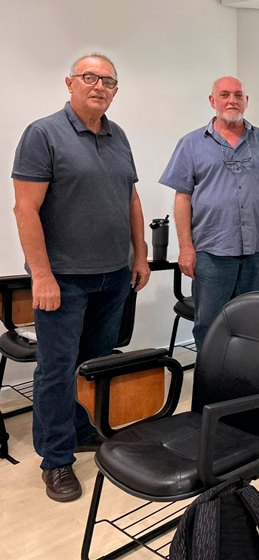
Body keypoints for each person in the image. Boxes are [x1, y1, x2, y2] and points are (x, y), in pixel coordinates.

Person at [12, 53, 150, 502]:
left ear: (115, 91)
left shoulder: (118, 135)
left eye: (108, 81)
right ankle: (55, 459)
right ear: (70, 83)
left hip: (113, 276)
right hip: (63, 281)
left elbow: (130, 198)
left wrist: (140, 254)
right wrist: (41, 275)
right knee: (56, 369)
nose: (99, 86)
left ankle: (79, 427)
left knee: (92, 363)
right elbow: (25, 209)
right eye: (90, 77)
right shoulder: (43, 134)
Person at [160, 76, 259, 349]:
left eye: (238, 95)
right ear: (212, 101)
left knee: (256, 321)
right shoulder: (191, 143)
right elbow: (182, 198)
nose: (232, 100)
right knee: (210, 325)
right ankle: (212, 374)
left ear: (246, 100)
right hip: (212, 252)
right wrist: (185, 248)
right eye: (224, 95)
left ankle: (249, 373)